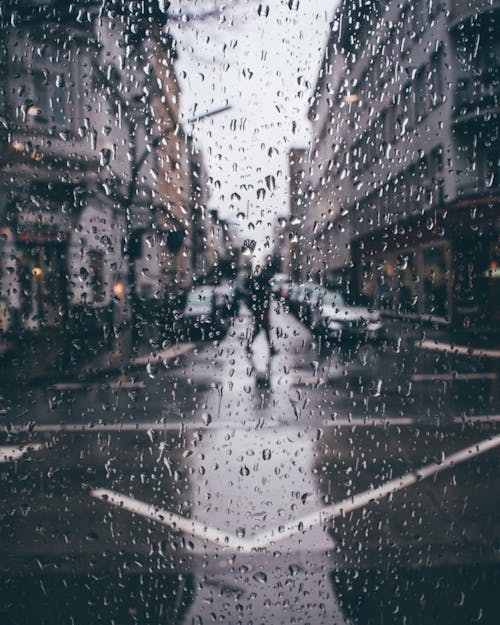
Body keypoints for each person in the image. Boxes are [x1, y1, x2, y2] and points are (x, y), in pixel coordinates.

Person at [245, 259, 278, 356]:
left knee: (261, 330)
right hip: (261, 312)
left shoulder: (261, 285)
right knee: (261, 330)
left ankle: (270, 349)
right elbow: (261, 302)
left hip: (261, 311)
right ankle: (250, 347)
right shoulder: (262, 289)